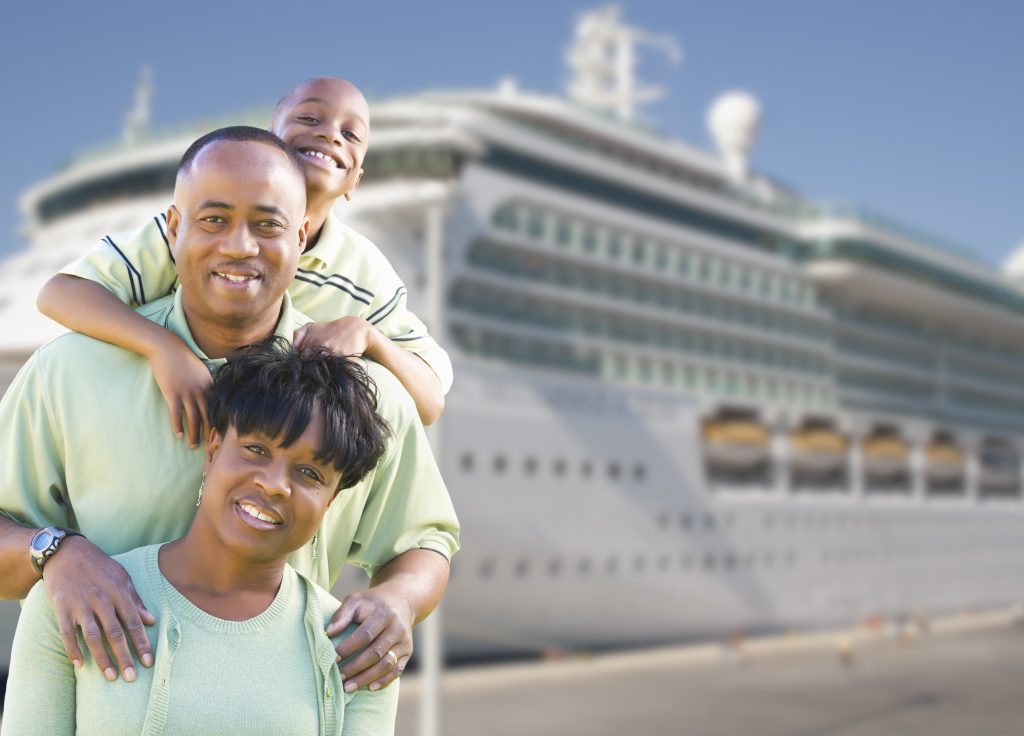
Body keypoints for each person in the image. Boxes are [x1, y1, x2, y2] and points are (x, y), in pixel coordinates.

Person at [0, 127, 458, 695]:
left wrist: (399, 600)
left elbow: (424, 541)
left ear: (302, 234)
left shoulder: (367, 395)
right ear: (174, 228)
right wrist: (56, 553)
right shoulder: (66, 371)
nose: (240, 246)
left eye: (267, 225)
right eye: (214, 219)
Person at [2, 340, 399, 735]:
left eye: (311, 474)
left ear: (330, 502)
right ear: (212, 451)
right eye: (256, 449)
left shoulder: (360, 648)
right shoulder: (75, 601)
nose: (275, 484)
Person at [37, 76, 451, 444]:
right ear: (268, 139)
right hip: (160, 427)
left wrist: (369, 336)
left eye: (351, 133)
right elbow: (59, 293)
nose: (330, 135)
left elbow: (430, 402)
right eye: (310, 120)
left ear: (354, 181)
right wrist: (163, 347)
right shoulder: (198, 232)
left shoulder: (364, 271)